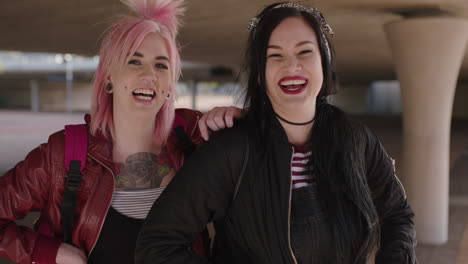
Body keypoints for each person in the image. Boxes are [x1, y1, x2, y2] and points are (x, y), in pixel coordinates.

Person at [136, 2, 417, 264]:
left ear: (324, 62)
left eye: (305, 52)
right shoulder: (231, 150)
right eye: (275, 55)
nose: (291, 66)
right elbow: (158, 243)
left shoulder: (357, 140)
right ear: (260, 74)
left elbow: (397, 214)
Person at [0, 0, 242, 263]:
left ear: (170, 84)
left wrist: (244, 122)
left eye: (161, 65)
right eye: (134, 61)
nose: (149, 74)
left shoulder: (197, 138)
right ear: (108, 77)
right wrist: (48, 252)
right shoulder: (61, 155)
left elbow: (270, 170)